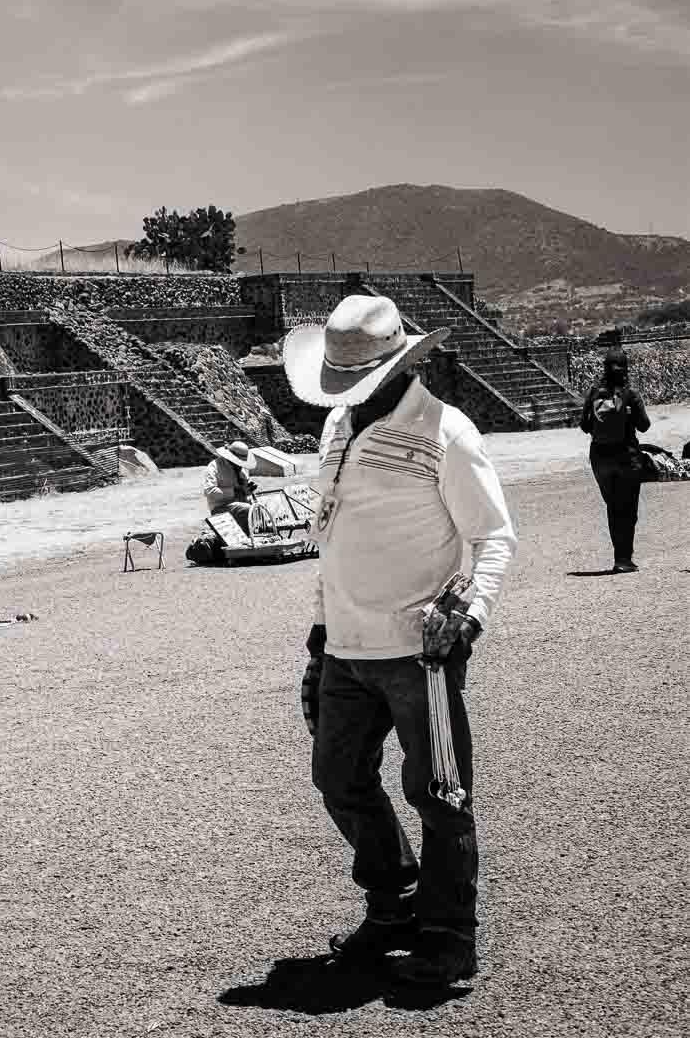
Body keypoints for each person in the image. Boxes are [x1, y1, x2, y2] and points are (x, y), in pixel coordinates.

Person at [286, 294, 517, 986]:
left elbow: (493, 536)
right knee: (337, 779)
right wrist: (320, 633)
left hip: (421, 650)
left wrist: (469, 616)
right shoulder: (335, 427)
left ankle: (449, 936)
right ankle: (394, 902)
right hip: (344, 648)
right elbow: (332, 534)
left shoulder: (445, 432)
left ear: (397, 364)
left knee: (439, 794)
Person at [579, 351, 651, 573]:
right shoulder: (630, 393)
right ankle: (623, 559)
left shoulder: (594, 393)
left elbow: (584, 425)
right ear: (625, 368)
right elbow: (644, 426)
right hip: (626, 457)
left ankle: (620, 557)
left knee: (613, 507)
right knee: (628, 509)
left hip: (600, 458)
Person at [203, 440, 259, 534]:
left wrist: (248, 489)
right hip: (221, 507)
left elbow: (244, 490)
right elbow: (209, 492)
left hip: (241, 505)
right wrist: (236, 491)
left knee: (260, 506)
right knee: (247, 509)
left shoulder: (242, 469)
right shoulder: (214, 467)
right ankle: (247, 538)